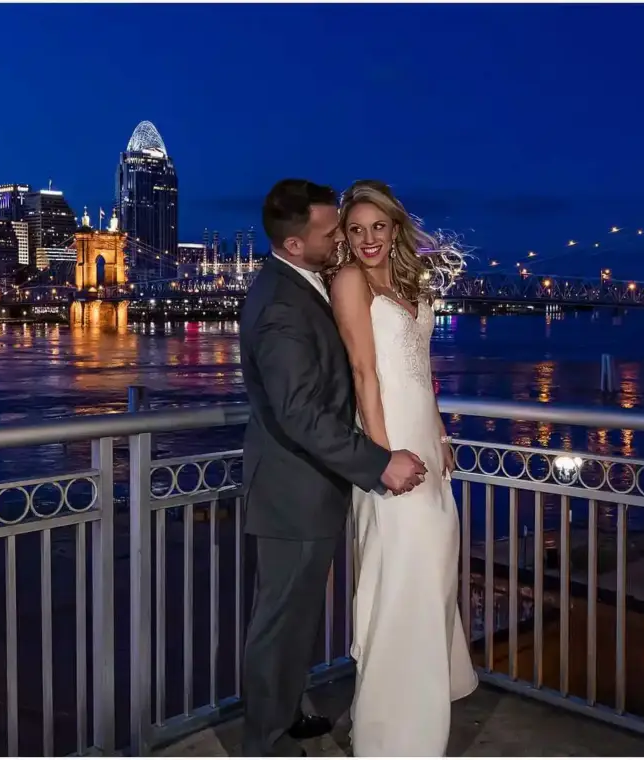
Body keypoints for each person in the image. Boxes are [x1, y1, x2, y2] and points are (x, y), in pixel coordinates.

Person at [238, 178, 429, 757]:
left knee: (295, 618)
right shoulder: (278, 305)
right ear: (296, 244)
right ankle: (265, 741)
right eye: (331, 232)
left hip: (310, 485)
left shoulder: (300, 284)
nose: (340, 241)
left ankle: (289, 710)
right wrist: (378, 463)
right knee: (277, 622)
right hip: (292, 489)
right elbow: (299, 414)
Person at [326, 180, 479, 756]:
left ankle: (421, 711)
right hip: (390, 453)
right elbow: (365, 374)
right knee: (401, 582)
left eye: (378, 227)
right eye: (357, 229)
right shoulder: (349, 281)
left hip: (425, 445)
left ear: (395, 230)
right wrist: (384, 457)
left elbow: (423, 369)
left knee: (434, 572)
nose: (367, 239)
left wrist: (438, 434)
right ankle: (392, 736)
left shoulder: (412, 281)